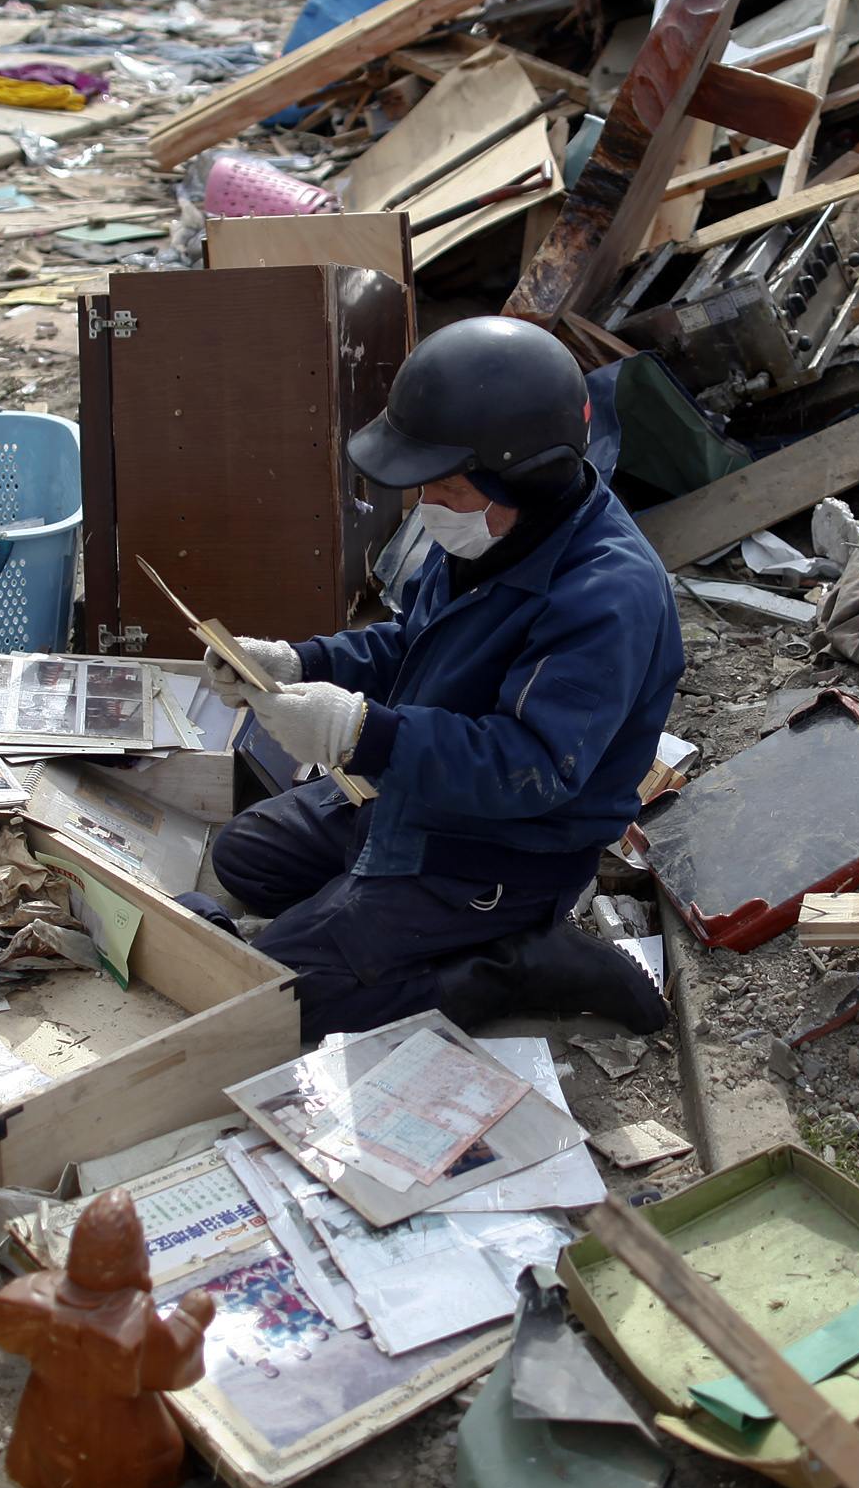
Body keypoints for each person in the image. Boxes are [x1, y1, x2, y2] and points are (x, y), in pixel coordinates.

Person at [201, 317, 681, 1043]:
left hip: (509, 849)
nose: (428, 507)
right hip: (420, 793)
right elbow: (411, 643)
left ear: (526, 475)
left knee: (275, 1000)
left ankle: (513, 964)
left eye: (449, 487)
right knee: (246, 858)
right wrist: (303, 663)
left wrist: (360, 733)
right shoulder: (492, 529)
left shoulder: (604, 594)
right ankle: (382, 917)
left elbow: (529, 766)